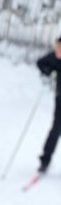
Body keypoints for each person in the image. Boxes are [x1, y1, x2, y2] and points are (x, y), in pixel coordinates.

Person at [37, 35, 61, 174]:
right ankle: (45, 160)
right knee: (56, 129)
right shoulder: (55, 58)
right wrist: (48, 73)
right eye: (57, 47)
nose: (58, 51)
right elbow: (41, 63)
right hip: (60, 99)